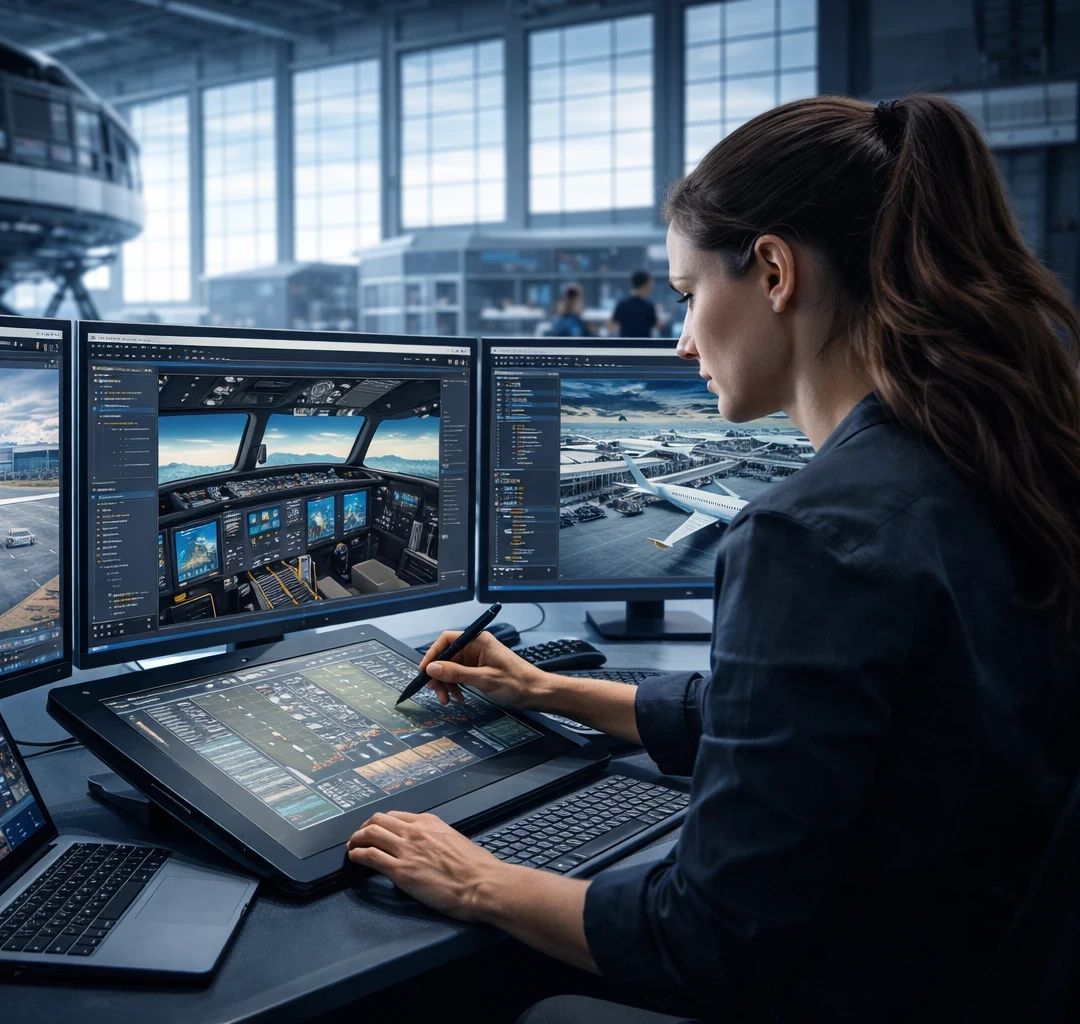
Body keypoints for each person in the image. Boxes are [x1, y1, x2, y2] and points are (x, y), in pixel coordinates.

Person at [346, 94, 1080, 1022]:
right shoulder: (1007, 461)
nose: (684, 337)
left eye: (691, 295)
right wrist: (546, 691)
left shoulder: (810, 535)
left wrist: (476, 879)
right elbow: (811, 719)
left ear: (774, 270)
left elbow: (705, 939)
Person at [607, 270, 665, 337]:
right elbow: (657, 325)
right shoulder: (648, 306)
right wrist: (660, 311)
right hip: (644, 345)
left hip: (626, 345)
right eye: (650, 284)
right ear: (645, 285)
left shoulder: (622, 304)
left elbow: (612, 325)